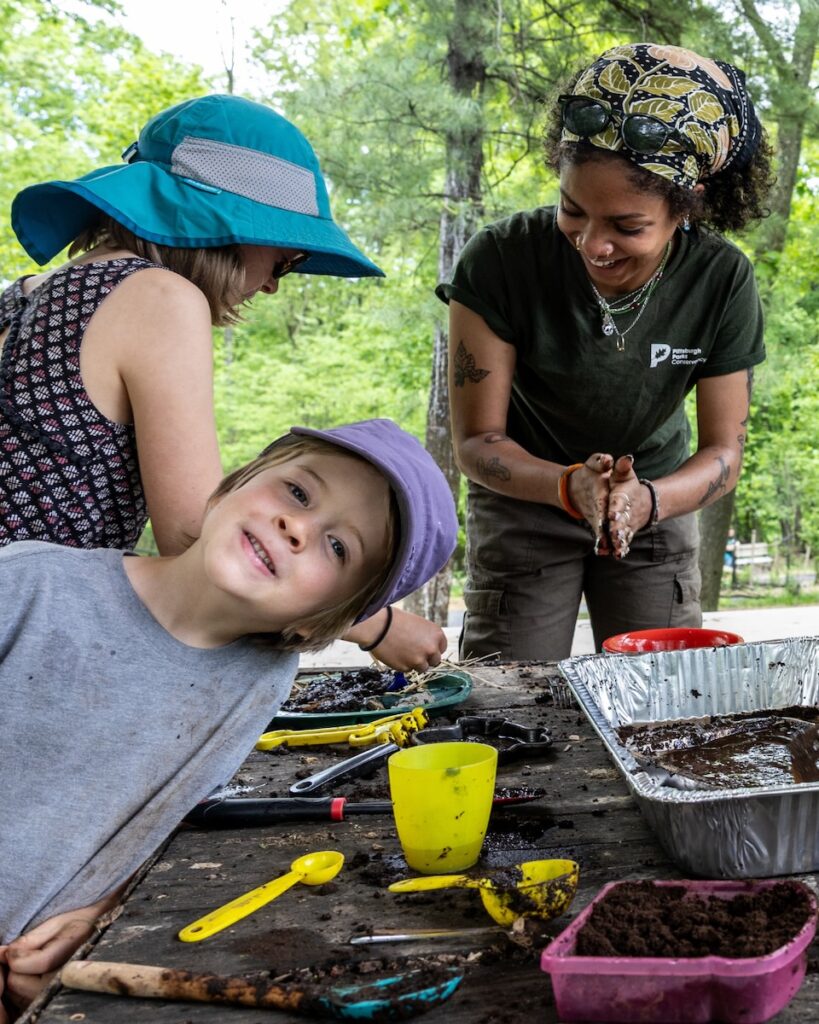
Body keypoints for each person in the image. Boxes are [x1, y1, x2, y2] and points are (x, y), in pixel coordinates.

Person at [0, 417, 458, 1019]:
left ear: (322, 621)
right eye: (298, 492)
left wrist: (93, 916)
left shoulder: (259, 683)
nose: (297, 527)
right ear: (230, 486)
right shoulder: (30, 583)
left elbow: (151, 820)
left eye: (338, 546)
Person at [0, 93, 446, 671]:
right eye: (283, 260)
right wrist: (374, 624)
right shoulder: (159, 297)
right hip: (24, 644)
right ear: (229, 228)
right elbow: (194, 539)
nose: (272, 286)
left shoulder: (32, 292)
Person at [437, 43, 771, 661]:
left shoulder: (722, 279)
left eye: (627, 226)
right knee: (513, 694)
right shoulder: (500, 260)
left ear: (687, 205)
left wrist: (647, 501)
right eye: (572, 211)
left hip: (657, 500)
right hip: (526, 507)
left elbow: (725, 451)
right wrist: (569, 487)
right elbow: (476, 444)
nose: (593, 244)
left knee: (668, 693)